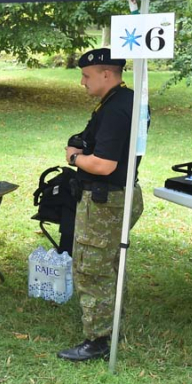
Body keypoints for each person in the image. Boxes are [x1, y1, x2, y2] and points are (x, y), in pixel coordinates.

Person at [59, 48, 144, 362]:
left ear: (106, 74)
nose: (82, 82)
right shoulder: (127, 99)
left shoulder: (116, 109)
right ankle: (111, 322)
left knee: (92, 268)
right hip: (121, 194)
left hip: (105, 200)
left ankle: (97, 340)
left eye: (86, 76)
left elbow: (104, 164)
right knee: (110, 262)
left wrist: (74, 157)